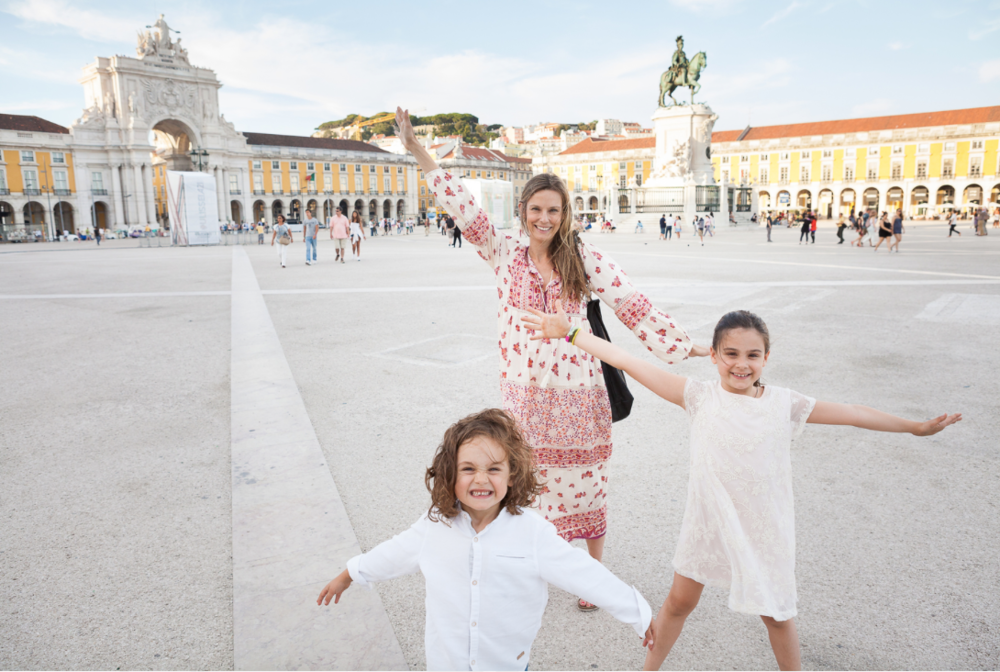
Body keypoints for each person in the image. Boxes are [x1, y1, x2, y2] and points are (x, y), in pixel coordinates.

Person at [522, 307, 962, 672]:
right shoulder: (697, 395)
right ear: (712, 356)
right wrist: (572, 332)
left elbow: (852, 411)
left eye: (752, 354)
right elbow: (629, 362)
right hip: (708, 521)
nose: (740, 364)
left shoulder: (783, 403)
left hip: (762, 528)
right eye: (730, 353)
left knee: (776, 615)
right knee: (677, 604)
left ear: (767, 357)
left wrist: (914, 429)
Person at [395, 105, 705, 611]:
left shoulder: (583, 259)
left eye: (554, 211)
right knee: (528, 485)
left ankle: (593, 576)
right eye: (536, 209)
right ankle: (529, 566)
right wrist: (417, 151)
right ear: (523, 211)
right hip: (524, 394)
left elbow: (632, 303)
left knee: (587, 486)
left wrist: (685, 344)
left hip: (581, 393)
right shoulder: (502, 251)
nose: (544, 218)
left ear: (565, 215)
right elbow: (463, 208)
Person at [316, 409, 656, 670]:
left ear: (512, 475)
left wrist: (638, 614)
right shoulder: (434, 527)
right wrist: (351, 573)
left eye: (494, 469)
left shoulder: (532, 533)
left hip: (506, 663)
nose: (481, 479)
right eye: (468, 469)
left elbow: (583, 572)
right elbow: (393, 553)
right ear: (449, 474)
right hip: (446, 664)